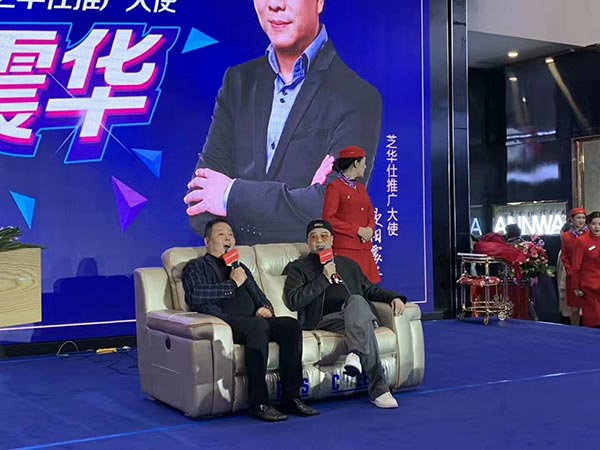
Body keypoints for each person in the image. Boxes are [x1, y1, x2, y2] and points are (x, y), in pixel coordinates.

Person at [184, 0, 382, 245]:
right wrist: (302, 203)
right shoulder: (238, 82)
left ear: (319, 2)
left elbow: (337, 208)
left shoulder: (356, 96)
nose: (275, 5)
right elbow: (199, 202)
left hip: (308, 267)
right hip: (236, 267)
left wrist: (229, 195)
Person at [181, 218, 319, 421]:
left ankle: (292, 397)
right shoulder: (196, 266)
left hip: (255, 322)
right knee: (257, 326)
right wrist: (232, 284)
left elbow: (260, 296)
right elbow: (195, 296)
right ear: (207, 242)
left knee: (289, 325)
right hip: (225, 322)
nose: (227, 239)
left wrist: (266, 307)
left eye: (230, 235)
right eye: (221, 235)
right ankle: (259, 403)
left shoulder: (240, 267)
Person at [283, 219, 406, 408]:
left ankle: (355, 354)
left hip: (354, 315)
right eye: (313, 237)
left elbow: (370, 290)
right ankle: (379, 390)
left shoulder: (348, 264)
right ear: (308, 242)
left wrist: (394, 297)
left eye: (324, 236)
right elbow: (294, 300)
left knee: (357, 303)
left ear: (332, 240)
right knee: (361, 316)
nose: (319, 241)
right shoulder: (298, 268)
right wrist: (324, 278)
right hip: (324, 320)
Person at [322, 145, 381, 284]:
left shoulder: (361, 188)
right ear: (356, 163)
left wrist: (370, 229)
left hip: (364, 249)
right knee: (350, 288)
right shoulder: (335, 188)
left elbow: (370, 213)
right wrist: (357, 230)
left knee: (371, 289)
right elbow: (328, 219)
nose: (365, 167)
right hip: (346, 249)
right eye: (364, 163)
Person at [571, 211, 600, 328]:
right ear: (588, 225)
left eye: (599, 224)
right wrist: (576, 287)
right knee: (594, 321)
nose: (597, 227)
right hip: (589, 287)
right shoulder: (582, 241)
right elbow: (575, 266)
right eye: (593, 224)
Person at [561, 207, 587, 326]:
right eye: (578, 218)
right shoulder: (566, 236)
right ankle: (575, 329)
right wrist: (570, 271)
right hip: (572, 275)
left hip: (587, 274)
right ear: (571, 219)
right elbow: (564, 256)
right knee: (574, 308)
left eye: (583, 218)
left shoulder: (590, 234)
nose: (581, 221)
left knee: (589, 307)